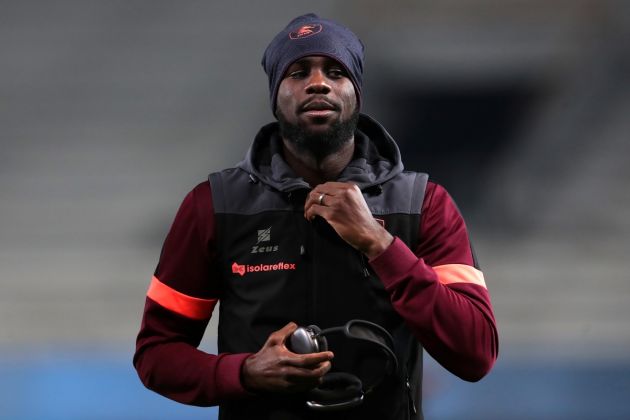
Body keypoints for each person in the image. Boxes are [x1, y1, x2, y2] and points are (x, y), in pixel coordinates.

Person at [133, 13, 498, 420]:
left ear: (357, 92)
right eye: (298, 72)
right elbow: (156, 354)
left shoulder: (423, 204)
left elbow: (476, 354)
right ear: (275, 95)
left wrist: (380, 245)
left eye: (336, 71)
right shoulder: (214, 205)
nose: (318, 82)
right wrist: (245, 372)